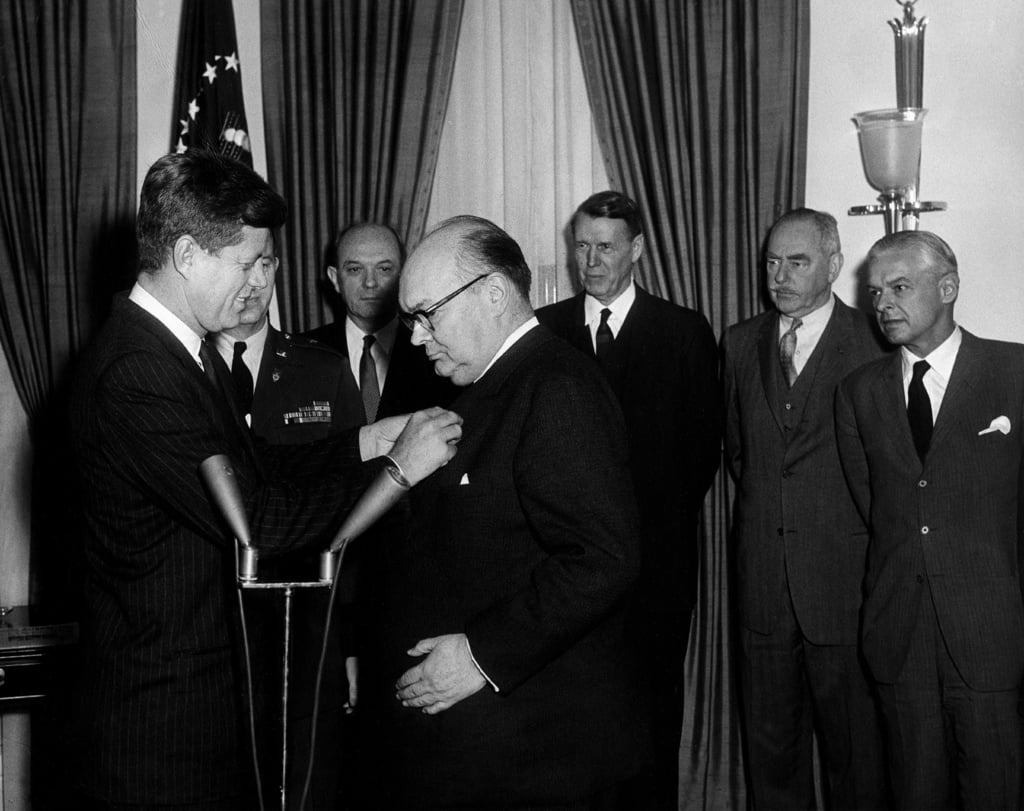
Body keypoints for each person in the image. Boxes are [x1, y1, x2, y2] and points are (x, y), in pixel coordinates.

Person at [68, 150, 461, 810]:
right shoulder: (137, 371)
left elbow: (259, 466)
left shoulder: (183, 352)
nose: (259, 282)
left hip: (206, 712)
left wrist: (367, 440)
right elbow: (261, 522)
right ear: (188, 253)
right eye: (246, 261)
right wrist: (399, 470)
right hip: (163, 731)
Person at [362, 215, 651, 810]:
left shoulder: (556, 387)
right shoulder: (493, 385)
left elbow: (602, 559)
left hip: (543, 756)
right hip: (496, 751)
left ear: (494, 294)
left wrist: (480, 655)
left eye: (427, 314)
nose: (416, 337)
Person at [536, 190, 721, 808]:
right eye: (581, 246)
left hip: (657, 570)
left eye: (605, 247)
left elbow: (702, 453)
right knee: (578, 721)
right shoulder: (547, 331)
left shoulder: (683, 331)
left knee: (651, 718)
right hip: (567, 570)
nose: (590, 261)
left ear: (636, 249)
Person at [836, 230, 1024, 809]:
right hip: (899, 636)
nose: (883, 304)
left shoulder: (1013, 372)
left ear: (948, 288)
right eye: (875, 292)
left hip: (990, 633)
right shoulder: (858, 392)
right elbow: (874, 508)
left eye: (899, 287)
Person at [722, 208, 888, 809]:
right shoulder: (740, 344)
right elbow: (743, 456)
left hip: (845, 592)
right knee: (772, 759)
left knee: (857, 761)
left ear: (834, 265)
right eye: (771, 262)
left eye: (797, 262)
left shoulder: (873, 340)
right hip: (764, 586)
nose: (780, 276)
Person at [210, 230, 365, 809]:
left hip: (308, 627)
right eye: (238, 266)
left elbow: (355, 512)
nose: (252, 285)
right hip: (213, 635)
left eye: (265, 265)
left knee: (305, 783)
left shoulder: (320, 369)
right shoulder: (184, 371)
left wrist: (349, 640)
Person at [305, 221, 455, 421]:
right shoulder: (303, 355)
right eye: (355, 269)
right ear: (335, 279)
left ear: (404, 276)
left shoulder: (439, 353)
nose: (370, 282)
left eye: (384, 269)